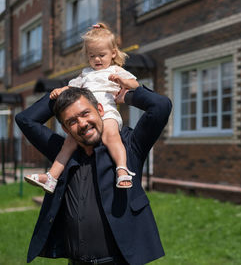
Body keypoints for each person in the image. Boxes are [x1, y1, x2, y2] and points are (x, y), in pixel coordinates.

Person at [15, 82, 171, 264]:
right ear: (65, 129)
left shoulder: (128, 146)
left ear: (100, 110)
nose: (82, 124)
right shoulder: (62, 154)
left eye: (85, 113)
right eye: (72, 121)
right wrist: (63, 93)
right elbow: (25, 120)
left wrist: (128, 96)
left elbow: (160, 106)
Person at [24, 23, 138, 193]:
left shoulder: (116, 70)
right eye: (92, 56)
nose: (97, 59)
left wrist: (123, 82)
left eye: (102, 55)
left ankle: (122, 169)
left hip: (107, 112)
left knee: (112, 137)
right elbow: (72, 88)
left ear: (113, 53)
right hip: (84, 115)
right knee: (68, 143)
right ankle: (52, 177)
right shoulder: (86, 74)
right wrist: (61, 90)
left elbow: (135, 84)